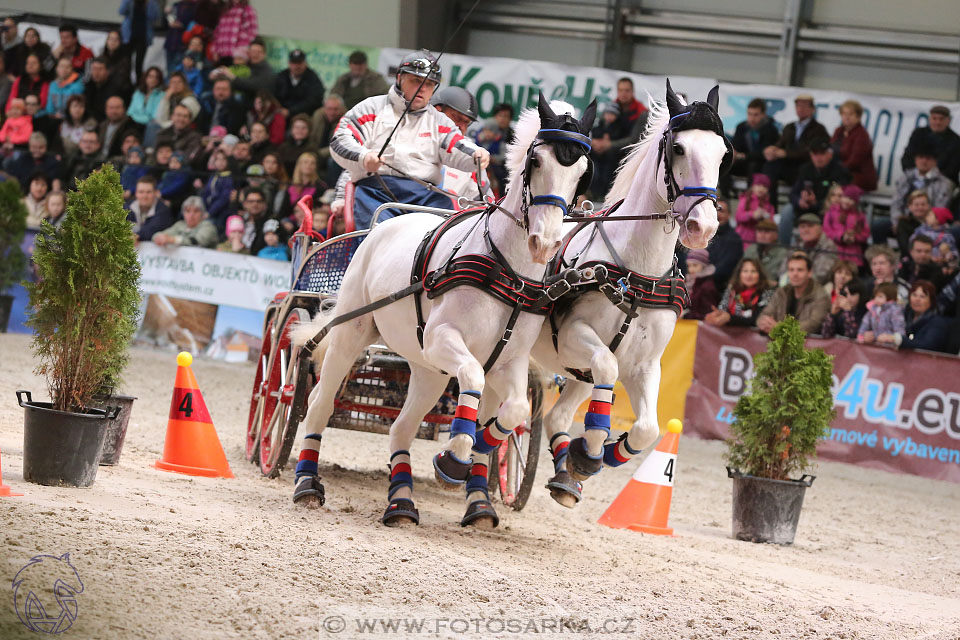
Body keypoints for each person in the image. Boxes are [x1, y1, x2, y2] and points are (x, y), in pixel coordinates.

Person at [330, 50, 488, 228]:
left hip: (424, 196)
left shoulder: (439, 121)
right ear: (399, 79)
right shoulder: (371, 108)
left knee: (447, 234)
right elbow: (340, 140)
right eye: (416, 81)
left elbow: (456, 144)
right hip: (376, 191)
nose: (423, 88)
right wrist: (364, 157)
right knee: (379, 237)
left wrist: (476, 154)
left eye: (429, 84)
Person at [431, 85, 491, 203]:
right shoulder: (415, 132)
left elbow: (484, 206)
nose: (461, 127)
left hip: (447, 219)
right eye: (457, 118)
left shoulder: (472, 154)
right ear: (437, 110)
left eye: (466, 123)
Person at [780, 139, 851, 240]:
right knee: (787, 210)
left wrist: (816, 203)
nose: (818, 158)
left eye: (822, 154)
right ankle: (783, 247)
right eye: (815, 154)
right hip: (805, 208)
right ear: (811, 155)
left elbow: (839, 199)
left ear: (830, 155)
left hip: (824, 210)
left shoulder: (839, 172)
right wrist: (799, 201)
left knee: (833, 212)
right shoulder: (805, 169)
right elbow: (793, 193)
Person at [762, 94, 830, 186]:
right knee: (770, 166)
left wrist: (786, 153)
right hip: (787, 163)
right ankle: (767, 198)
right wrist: (773, 149)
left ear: (812, 109)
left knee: (803, 171)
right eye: (798, 106)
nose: (800, 109)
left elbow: (811, 151)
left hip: (804, 164)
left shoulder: (819, 129)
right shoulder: (790, 127)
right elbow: (781, 143)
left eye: (804, 106)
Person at [757, 251, 830, 334]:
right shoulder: (782, 291)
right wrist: (764, 323)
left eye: (800, 270)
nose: (795, 274)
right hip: (779, 342)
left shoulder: (820, 296)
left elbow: (814, 325)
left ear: (809, 273)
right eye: (791, 270)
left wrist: (780, 328)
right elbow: (764, 315)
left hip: (807, 344)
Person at [889, 141, 956, 228]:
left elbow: (939, 209)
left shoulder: (944, 183)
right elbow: (896, 202)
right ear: (915, 159)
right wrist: (896, 221)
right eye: (921, 157)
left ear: (935, 161)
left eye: (928, 158)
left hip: (930, 222)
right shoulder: (905, 178)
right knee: (880, 225)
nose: (924, 161)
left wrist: (926, 221)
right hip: (905, 218)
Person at [704, 257, 774, 328]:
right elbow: (722, 310)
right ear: (739, 274)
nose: (749, 275)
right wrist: (717, 315)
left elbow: (758, 320)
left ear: (760, 275)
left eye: (753, 271)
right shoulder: (732, 290)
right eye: (745, 271)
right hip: (730, 334)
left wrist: (730, 318)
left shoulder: (766, 293)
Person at [901, 105, 960, 185]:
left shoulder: (955, 141)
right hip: (916, 179)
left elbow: (953, 168)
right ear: (929, 119)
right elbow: (907, 159)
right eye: (934, 118)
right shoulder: (918, 134)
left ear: (948, 121)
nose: (937, 122)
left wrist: (930, 178)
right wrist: (918, 176)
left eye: (941, 119)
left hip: (942, 182)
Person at [830, 100, 877, 192]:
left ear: (858, 117)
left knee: (834, 186)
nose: (846, 117)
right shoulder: (838, 131)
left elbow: (855, 161)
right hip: (840, 173)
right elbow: (829, 151)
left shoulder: (862, 135)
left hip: (857, 176)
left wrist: (836, 171)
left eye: (850, 114)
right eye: (844, 114)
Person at [730, 98, 779, 180]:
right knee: (726, 165)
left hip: (761, 164)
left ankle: (751, 193)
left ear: (763, 114)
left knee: (754, 165)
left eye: (756, 115)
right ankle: (724, 192)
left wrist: (743, 156)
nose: (752, 118)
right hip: (743, 162)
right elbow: (735, 145)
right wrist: (734, 153)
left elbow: (764, 153)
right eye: (749, 114)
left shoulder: (771, 129)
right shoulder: (741, 127)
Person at [822, 184, 869, 268]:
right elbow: (826, 230)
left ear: (855, 202)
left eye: (851, 199)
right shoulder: (832, 211)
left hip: (853, 253)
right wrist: (841, 236)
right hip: (834, 250)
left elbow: (865, 233)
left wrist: (855, 238)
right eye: (845, 197)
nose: (847, 201)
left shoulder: (859, 216)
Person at [897, 280, 950, 352]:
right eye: (914, 295)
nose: (917, 299)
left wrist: (900, 340)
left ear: (931, 301)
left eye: (922, 296)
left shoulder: (937, 323)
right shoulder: (901, 315)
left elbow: (928, 346)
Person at [220, 38, 275, 104]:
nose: (255, 54)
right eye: (252, 51)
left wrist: (233, 77)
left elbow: (253, 85)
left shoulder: (267, 71)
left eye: (259, 52)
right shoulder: (245, 65)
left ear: (264, 54)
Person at [152, 195, 218, 249]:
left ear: (202, 213)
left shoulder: (208, 226)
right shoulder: (180, 225)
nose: (191, 215)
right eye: (188, 211)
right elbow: (158, 235)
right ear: (183, 213)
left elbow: (196, 242)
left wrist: (173, 240)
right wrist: (159, 237)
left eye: (196, 211)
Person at [475, 102, 514, 191]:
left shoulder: (511, 135)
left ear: (510, 119)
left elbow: (508, 157)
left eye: (506, 116)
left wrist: (493, 159)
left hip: (501, 169)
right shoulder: (486, 130)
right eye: (500, 115)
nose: (502, 119)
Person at [274, 49, 325, 118]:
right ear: (289, 63)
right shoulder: (281, 77)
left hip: (306, 116)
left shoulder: (313, 78)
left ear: (305, 63)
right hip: (283, 115)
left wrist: (290, 111)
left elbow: (313, 101)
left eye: (300, 63)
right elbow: (275, 96)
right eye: (294, 63)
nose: (297, 66)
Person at [706, 198, 743, 292]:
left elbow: (724, 269)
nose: (717, 214)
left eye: (721, 211)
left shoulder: (734, 239)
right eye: (714, 211)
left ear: (729, 215)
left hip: (719, 288)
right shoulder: (704, 234)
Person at [589, 102, 624, 199]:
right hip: (596, 157)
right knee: (594, 175)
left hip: (611, 159)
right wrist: (596, 143)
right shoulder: (598, 127)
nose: (609, 116)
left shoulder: (619, 129)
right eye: (607, 114)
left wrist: (607, 144)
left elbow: (617, 143)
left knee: (607, 176)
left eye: (612, 114)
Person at [119, 0, 160, 81]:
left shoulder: (151, 2)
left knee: (139, 63)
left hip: (143, 36)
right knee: (126, 63)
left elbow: (154, 17)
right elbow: (121, 11)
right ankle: (126, 83)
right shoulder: (129, 1)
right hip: (128, 35)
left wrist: (150, 4)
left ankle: (139, 84)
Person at [126, 175, 174, 241]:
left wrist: (136, 236)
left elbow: (152, 230)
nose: (144, 196)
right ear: (136, 193)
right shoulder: (127, 207)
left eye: (148, 192)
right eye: (141, 192)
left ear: (155, 193)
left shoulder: (163, 211)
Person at [793, 213, 837, 284]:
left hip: (818, 289)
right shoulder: (798, 244)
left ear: (820, 228)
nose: (806, 230)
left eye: (810, 226)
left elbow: (820, 276)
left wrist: (795, 281)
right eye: (802, 227)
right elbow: (783, 271)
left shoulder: (828, 246)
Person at [310, 94, 346, 180]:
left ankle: (331, 188)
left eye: (335, 109)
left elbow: (339, 145)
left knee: (333, 161)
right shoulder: (317, 116)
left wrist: (318, 153)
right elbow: (312, 136)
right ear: (324, 108)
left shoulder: (346, 119)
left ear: (341, 109)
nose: (332, 113)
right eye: (329, 109)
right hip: (317, 149)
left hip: (334, 153)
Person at [735, 173, 775, 248]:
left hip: (758, 240)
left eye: (764, 186)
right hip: (742, 238)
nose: (761, 188)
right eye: (758, 185)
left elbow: (771, 223)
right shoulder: (745, 200)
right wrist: (752, 215)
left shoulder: (769, 206)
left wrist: (765, 217)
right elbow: (738, 216)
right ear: (753, 186)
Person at [212, 0, 258, 65]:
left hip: (238, 55)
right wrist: (215, 50)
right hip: (222, 53)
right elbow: (218, 32)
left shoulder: (247, 9)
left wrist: (242, 49)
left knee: (235, 74)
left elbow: (252, 33)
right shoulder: (225, 10)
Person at [83, 57, 128, 122]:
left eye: (100, 69)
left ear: (108, 71)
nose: (96, 73)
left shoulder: (116, 88)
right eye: (94, 69)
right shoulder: (88, 86)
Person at [199, 148, 234, 230]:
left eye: (223, 160)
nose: (220, 163)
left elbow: (223, 199)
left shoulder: (228, 178)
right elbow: (206, 193)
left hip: (220, 213)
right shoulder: (213, 175)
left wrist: (210, 212)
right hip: (207, 210)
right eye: (217, 159)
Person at [820, 273, 864, 339]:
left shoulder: (865, 313)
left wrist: (848, 312)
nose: (848, 297)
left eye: (852, 294)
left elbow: (852, 336)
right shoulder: (840, 312)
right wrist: (832, 315)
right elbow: (825, 334)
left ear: (861, 295)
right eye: (846, 293)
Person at [744, 220, 788, 285]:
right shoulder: (750, 249)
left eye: (767, 232)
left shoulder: (783, 254)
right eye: (759, 231)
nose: (762, 235)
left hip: (771, 289)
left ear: (776, 235)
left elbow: (783, 282)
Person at [97, 96, 140, 161]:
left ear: (124, 109)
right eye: (111, 108)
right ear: (106, 109)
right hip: (98, 160)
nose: (114, 111)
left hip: (118, 162)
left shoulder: (131, 126)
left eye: (117, 107)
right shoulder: (101, 125)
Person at [682, 249, 720, 320]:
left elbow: (707, 314)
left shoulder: (707, 286)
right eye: (689, 266)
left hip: (698, 327)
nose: (691, 269)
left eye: (695, 265)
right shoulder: (688, 281)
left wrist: (686, 315)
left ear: (703, 265)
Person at [896, 190, 931, 256]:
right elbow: (904, 247)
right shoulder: (903, 222)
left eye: (923, 204)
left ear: (928, 206)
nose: (920, 207)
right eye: (916, 205)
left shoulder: (935, 223)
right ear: (910, 207)